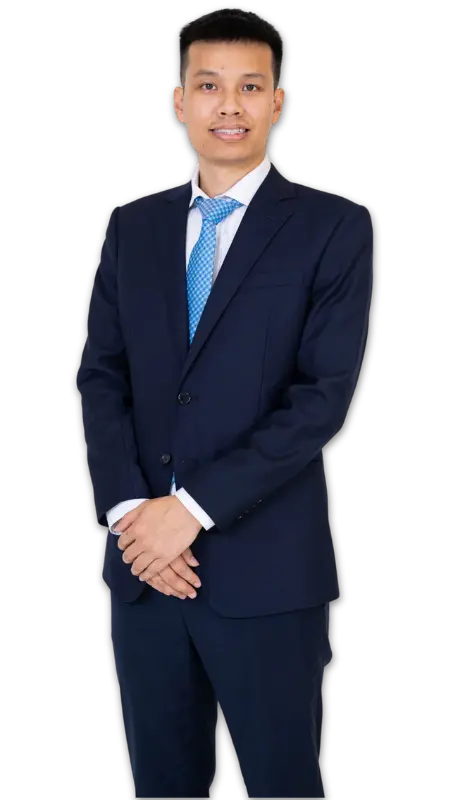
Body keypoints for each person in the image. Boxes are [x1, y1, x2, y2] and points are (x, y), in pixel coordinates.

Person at [76, 7, 373, 798]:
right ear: (180, 101)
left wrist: (191, 509)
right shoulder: (132, 227)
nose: (229, 106)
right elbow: (101, 376)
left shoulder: (333, 227)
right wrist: (133, 516)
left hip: (269, 575)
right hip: (144, 573)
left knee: (282, 782)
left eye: (250, 86)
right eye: (209, 86)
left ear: (278, 102)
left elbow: (321, 397)